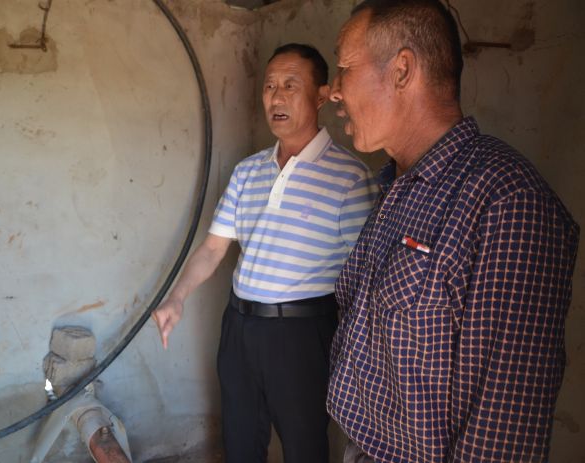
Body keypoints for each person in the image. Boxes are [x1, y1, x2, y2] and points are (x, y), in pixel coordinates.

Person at [326, 1, 579, 462]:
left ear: (402, 70)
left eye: (344, 68)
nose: (333, 91)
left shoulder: (506, 201)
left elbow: (502, 438)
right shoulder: (398, 185)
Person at [153, 43, 377, 462]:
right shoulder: (248, 171)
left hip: (302, 335)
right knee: (240, 443)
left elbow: (367, 278)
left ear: (321, 96)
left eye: (291, 85)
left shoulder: (349, 179)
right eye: (270, 86)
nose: (276, 97)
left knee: (304, 447)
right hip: (239, 326)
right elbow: (214, 248)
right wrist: (177, 297)